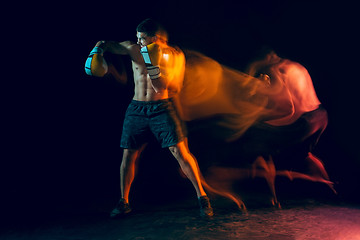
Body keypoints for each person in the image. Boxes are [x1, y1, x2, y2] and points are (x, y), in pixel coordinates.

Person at [85, 18, 213, 217]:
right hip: (136, 108)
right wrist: (99, 48)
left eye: (142, 39)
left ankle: (202, 198)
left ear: (156, 38)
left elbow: (169, 87)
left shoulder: (173, 56)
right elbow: (112, 45)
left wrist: (154, 67)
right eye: (137, 38)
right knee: (128, 154)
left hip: (161, 107)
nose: (138, 42)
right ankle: (123, 202)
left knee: (180, 152)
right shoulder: (134, 48)